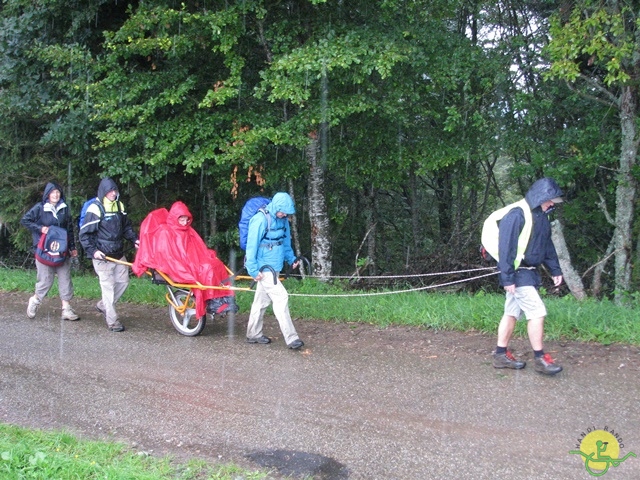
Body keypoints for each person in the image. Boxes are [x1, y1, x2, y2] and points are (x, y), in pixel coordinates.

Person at [492, 177, 564, 375]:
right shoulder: (517, 214)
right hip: (518, 273)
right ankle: (540, 359)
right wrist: (507, 278)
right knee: (537, 312)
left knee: (511, 313)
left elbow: (546, 245)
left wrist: (555, 270)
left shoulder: (542, 216)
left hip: (529, 272)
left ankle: (500, 355)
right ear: (542, 196)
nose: (552, 203)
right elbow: (505, 247)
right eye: (551, 199)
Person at [131, 201, 238, 318]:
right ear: (174, 218)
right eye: (181, 220)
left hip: (192, 260)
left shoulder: (188, 230)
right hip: (179, 264)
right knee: (206, 269)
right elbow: (168, 257)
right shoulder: (165, 232)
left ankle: (224, 300)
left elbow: (199, 248)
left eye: (186, 220)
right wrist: (185, 268)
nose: (184, 223)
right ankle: (214, 301)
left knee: (216, 264)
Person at [245, 192, 304, 350]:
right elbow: (251, 247)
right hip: (264, 268)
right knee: (281, 297)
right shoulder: (260, 220)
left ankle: (253, 334)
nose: (285, 214)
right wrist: (252, 270)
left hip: (275, 265)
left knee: (261, 301)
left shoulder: (283, 220)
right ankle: (291, 338)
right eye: (283, 211)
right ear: (276, 207)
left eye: (286, 212)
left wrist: (291, 259)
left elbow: (285, 242)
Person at [79, 177, 139, 332]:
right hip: (102, 257)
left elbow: (126, 227)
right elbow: (84, 235)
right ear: (103, 192)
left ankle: (103, 305)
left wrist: (134, 239)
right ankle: (113, 321)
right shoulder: (95, 208)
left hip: (118, 254)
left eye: (115, 190)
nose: (113, 193)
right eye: (110, 191)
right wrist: (94, 251)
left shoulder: (119, 205)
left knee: (123, 282)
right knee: (108, 288)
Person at [20, 182, 80, 321]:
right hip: (44, 251)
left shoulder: (65, 209)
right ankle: (34, 301)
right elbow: (25, 220)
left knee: (65, 278)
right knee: (45, 281)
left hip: (62, 250)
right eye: (53, 192)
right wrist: (41, 229)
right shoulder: (40, 208)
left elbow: (69, 229)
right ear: (48, 194)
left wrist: (72, 247)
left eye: (58, 192)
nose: (56, 195)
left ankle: (66, 309)